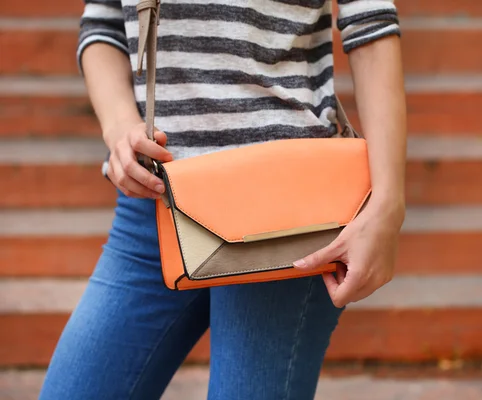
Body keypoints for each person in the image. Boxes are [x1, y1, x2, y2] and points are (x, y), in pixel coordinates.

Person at [39, 0, 407, 398]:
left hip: (285, 215)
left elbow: (369, 21)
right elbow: (105, 20)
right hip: (157, 201)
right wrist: (120, 129)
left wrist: (387, 205)